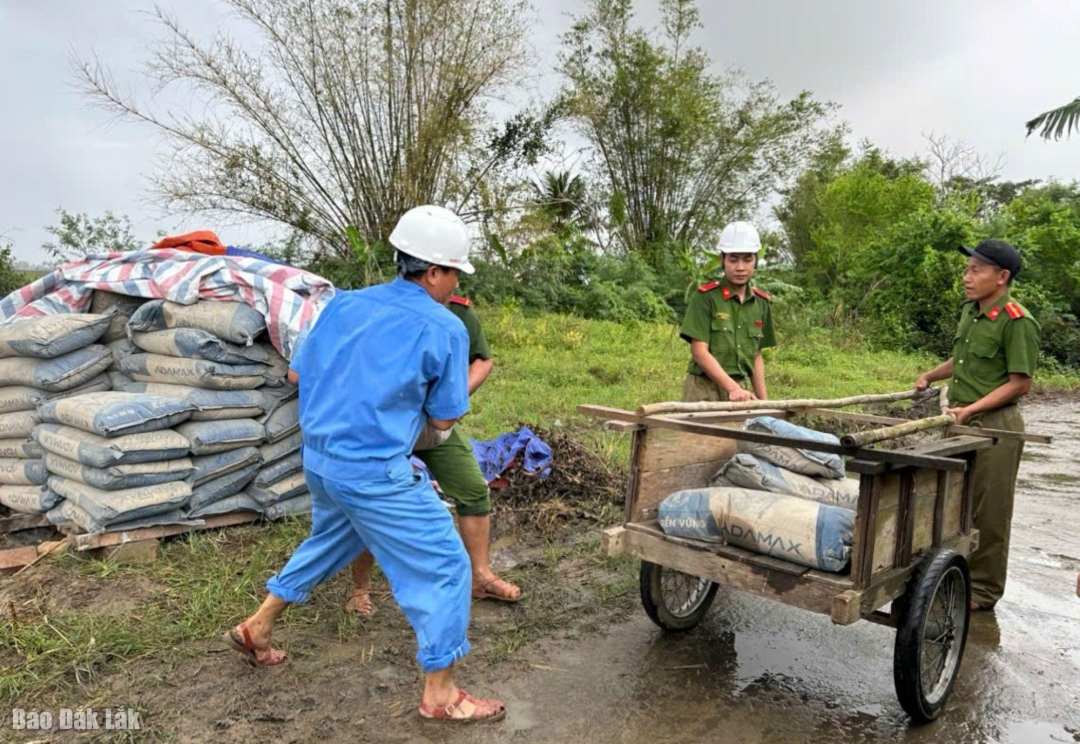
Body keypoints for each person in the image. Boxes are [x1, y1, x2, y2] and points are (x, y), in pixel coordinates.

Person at [223, 205, 506, 723]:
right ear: (435, 271)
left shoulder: (342, 305)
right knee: (445, 565)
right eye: (453, 275)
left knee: (336, 539)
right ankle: (441, 695)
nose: (452, 287)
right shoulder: (444, 327)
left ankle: (258, 626)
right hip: (375, 471)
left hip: (322, 461)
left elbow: (299, 375)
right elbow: (444, 421)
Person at [346, 293, 521, 616]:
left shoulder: (457, 311)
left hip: (434, 424)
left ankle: (480, 578)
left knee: (471, 488)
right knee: (371, 499)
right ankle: (360, 590)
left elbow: (482, 360)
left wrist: (454, 395)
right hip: (387, 423)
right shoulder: (384, 307)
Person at [915, 239, 1040, 613]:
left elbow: (1020, 383)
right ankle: (957, 575)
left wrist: (971, 409)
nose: (967, 277)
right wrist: (930, 375)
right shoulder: (972, 313)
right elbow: (963, 359)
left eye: (976, 270)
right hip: (962, 422)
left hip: (997, 427)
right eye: (967, 269)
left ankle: (983, 592)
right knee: (956, 505)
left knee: (990, 511)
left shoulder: (1018, 321)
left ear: (1002, 277)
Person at [679, 221, 775, 403]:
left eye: (747, 259)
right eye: (733, 259)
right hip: (703, 388)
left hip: (740, 390)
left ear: (755, 261)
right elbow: (699, 352)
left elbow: (756, 355)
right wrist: (732, 388)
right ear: (722, 260)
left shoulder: (761, 303)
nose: (740, 267)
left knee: (745, 430)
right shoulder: (705, 298)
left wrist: (764, 403)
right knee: (701, 432)